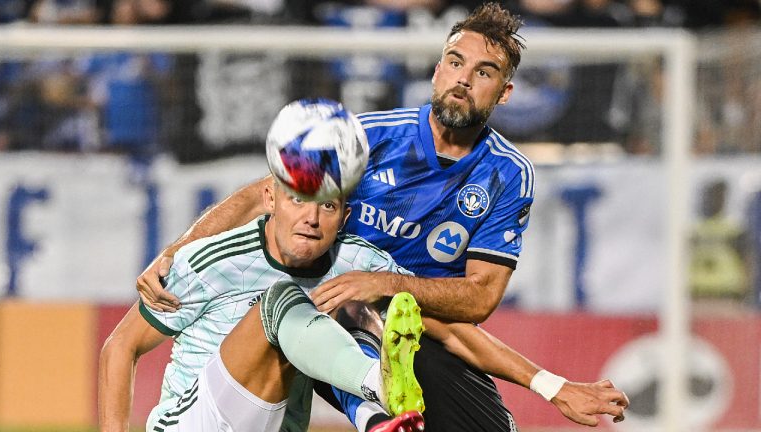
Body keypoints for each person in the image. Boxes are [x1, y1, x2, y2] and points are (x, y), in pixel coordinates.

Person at [137, 3, 629, 431]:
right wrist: (175, 254)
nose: (464, 78)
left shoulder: (506, 174)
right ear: (436, 71)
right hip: (321, 313)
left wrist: (380, 284)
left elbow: (479, 299)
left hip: (425, 332)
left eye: (484, 72)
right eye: (456, 63)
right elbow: (260, 195)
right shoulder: (369, 138)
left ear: (504, 93)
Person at [99, 181, 426, 432]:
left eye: (327, 205)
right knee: (279, 300)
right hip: (197, 421)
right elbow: (121, 345)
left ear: (345, 216)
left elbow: (425, 318)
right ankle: (376, 383)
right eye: (298, 200)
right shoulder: (211, 259)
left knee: (362, 308)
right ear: (271, 199)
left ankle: (374, 420)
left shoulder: (361, 262)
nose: (310, 218)